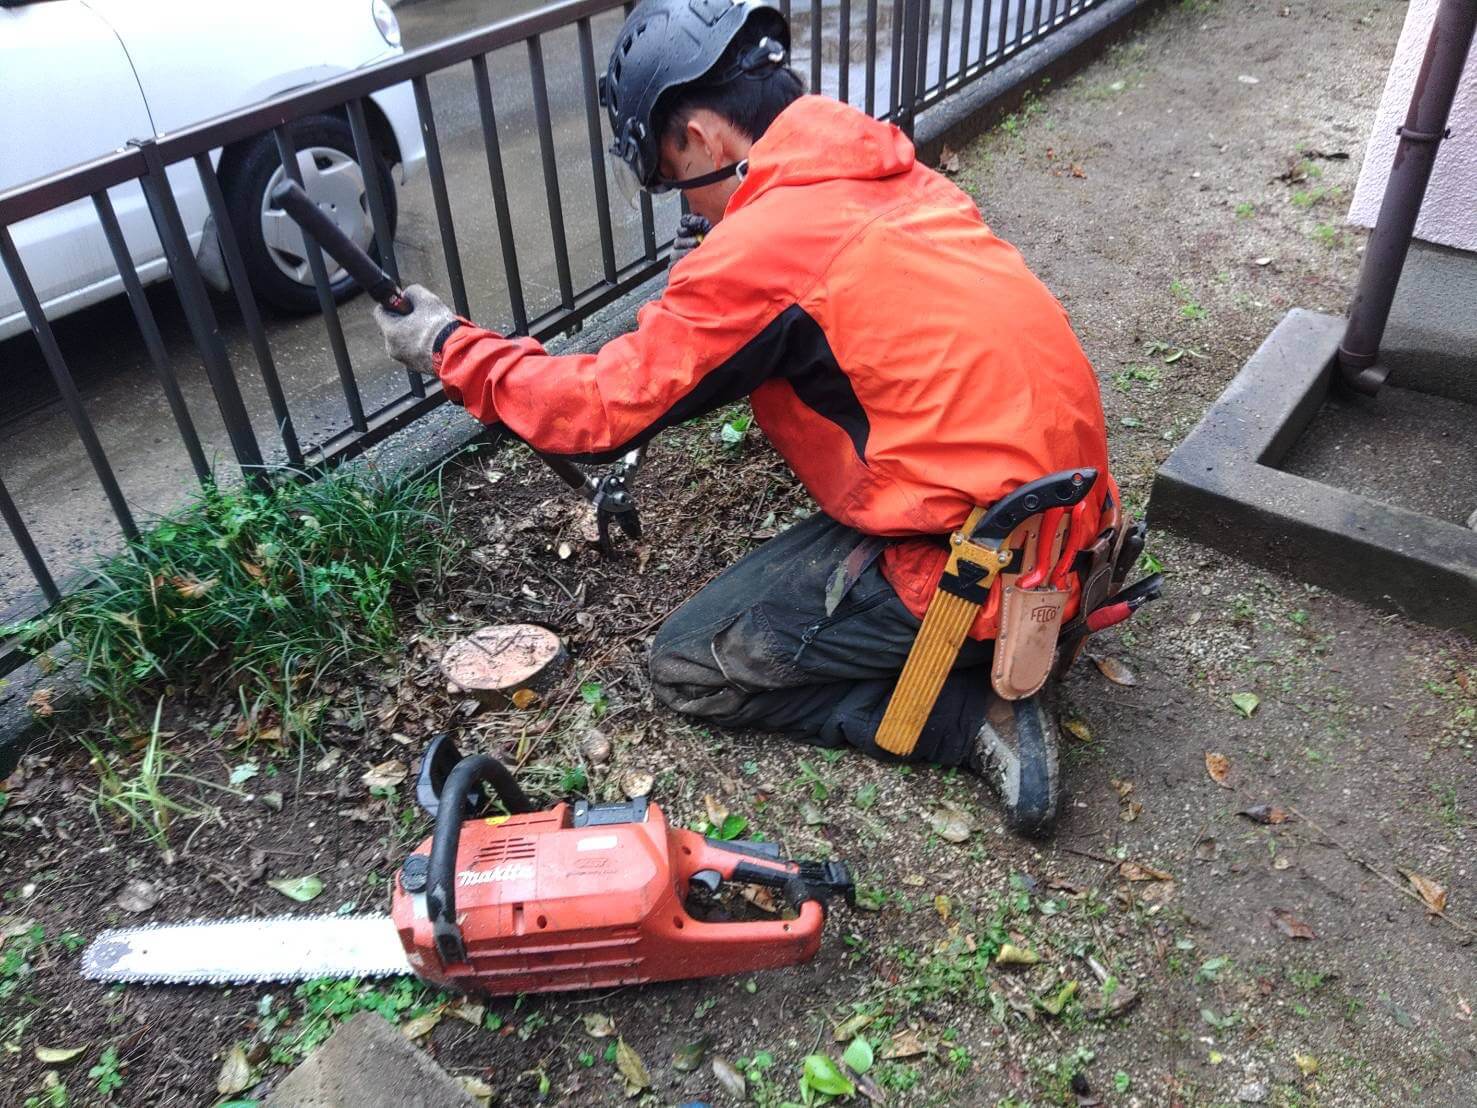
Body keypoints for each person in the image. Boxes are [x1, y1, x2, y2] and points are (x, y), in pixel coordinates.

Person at [372, 0, 1115, 834]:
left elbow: (598, 411)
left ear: (698, 138)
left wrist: (448, 347)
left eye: (664, 172)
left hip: (981, 570)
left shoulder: (766, 250)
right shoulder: (891, 177)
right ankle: (981, 634)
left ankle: (963, 710)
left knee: (689, 664)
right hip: (1064, 522)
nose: (680, 202)